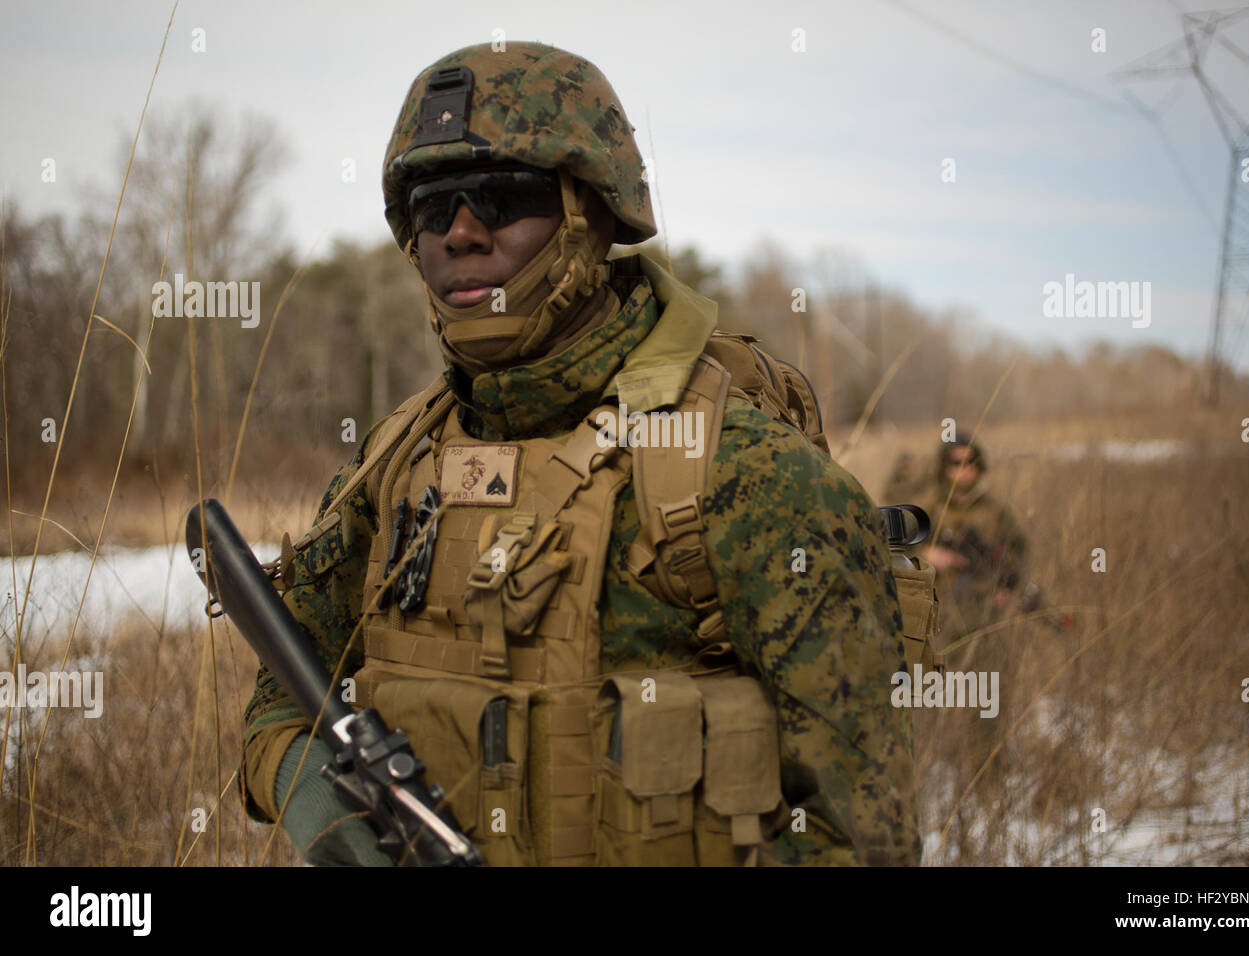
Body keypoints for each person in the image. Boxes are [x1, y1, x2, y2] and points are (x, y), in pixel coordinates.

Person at [240, 42, 919, 867]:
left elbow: (863, 840)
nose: (461, 231)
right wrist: (313, 795)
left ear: (591, 215)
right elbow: (285, 689)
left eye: (504, 197)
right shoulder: (391, 467)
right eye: (432, 205)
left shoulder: (747, 475)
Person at [905, 433, 1028, 668]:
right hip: (936, 610)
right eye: (956, 463)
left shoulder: (995, 511)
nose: (965, 469)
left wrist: (1008, 587)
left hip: (984, 611)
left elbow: (1018, 552)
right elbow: (892, 549)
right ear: (943, 467)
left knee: (986, 684)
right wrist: (927, 555)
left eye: (971, 462)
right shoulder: (928, 508)